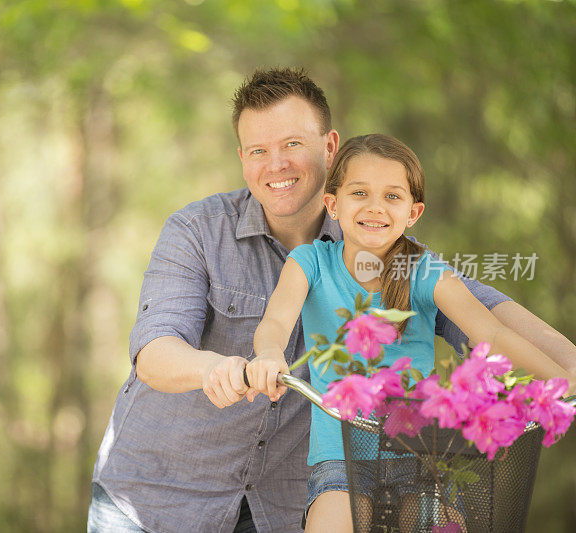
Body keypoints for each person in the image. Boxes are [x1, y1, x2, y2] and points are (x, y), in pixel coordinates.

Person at [87, 67, 576, 533]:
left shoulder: (388, 248)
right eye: (258, 150)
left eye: (292, 144)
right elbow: (155, 351)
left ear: (330, 146)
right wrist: (220, 367)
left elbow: (488, 315)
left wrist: (569, 370)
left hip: (279, 506)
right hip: (158, 500)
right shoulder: (196, 231)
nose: (275, 165)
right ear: (242, 158)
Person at [245, 133, 576, 533]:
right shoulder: (310, 262)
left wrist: (563, 382)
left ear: (413, 213)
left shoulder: (425, 271)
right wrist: (268, 354)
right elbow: (276, 323)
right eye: (359, 193)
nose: (375, 207)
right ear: (333, 204)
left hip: (422, 454)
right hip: (341, 459)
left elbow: (492, 334)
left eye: (392, 196)